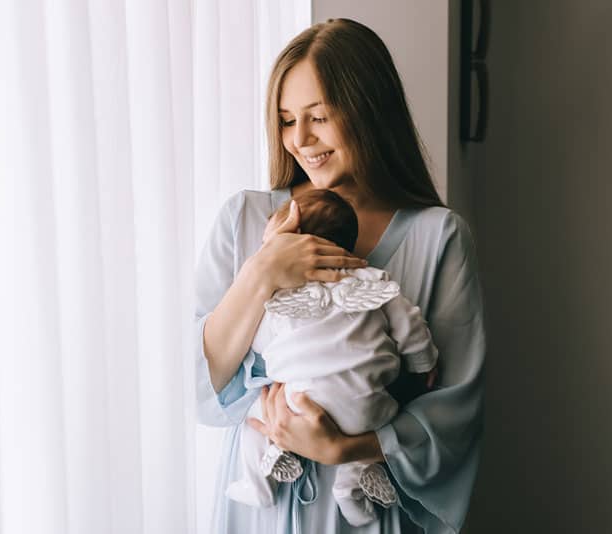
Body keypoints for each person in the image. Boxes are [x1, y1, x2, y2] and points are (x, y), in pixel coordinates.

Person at [194, 17, 485, 534]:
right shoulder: (244, 218)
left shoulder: (437, 237)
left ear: (369, 112)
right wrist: (262, 271)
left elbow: (455, 406)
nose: (300, 140)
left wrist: (346, 447)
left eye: (318, 117)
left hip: (366, 509)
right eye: (286, 121)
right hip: (260, 506)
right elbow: (203, 378)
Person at [225, 189, 439, 528]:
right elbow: (410, 325)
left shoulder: (282, 296)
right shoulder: (373, 282)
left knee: (251, 412)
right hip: (370, 409)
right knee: (371, 432)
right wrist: (424, 363)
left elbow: (259, 344)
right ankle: (351, 484)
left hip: (299, 403)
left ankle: (260, 479)